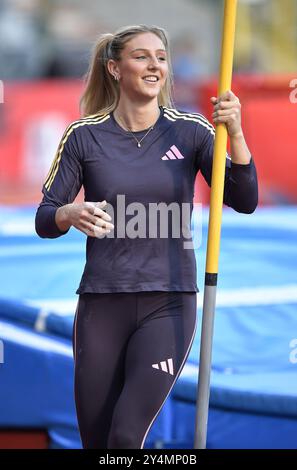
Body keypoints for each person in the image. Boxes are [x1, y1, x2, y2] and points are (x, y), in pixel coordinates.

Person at [35, 24, 258, 449]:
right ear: (116, 68)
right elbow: (45, 219)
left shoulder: (191, 131)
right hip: (102, 302)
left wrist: (239, 134)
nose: (154, 65)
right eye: (142, 56)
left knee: (124, 439)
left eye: (160, 56)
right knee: (97, 443)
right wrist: (68, 213)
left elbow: (245, 198)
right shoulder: (83, 135)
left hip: (169, 303)